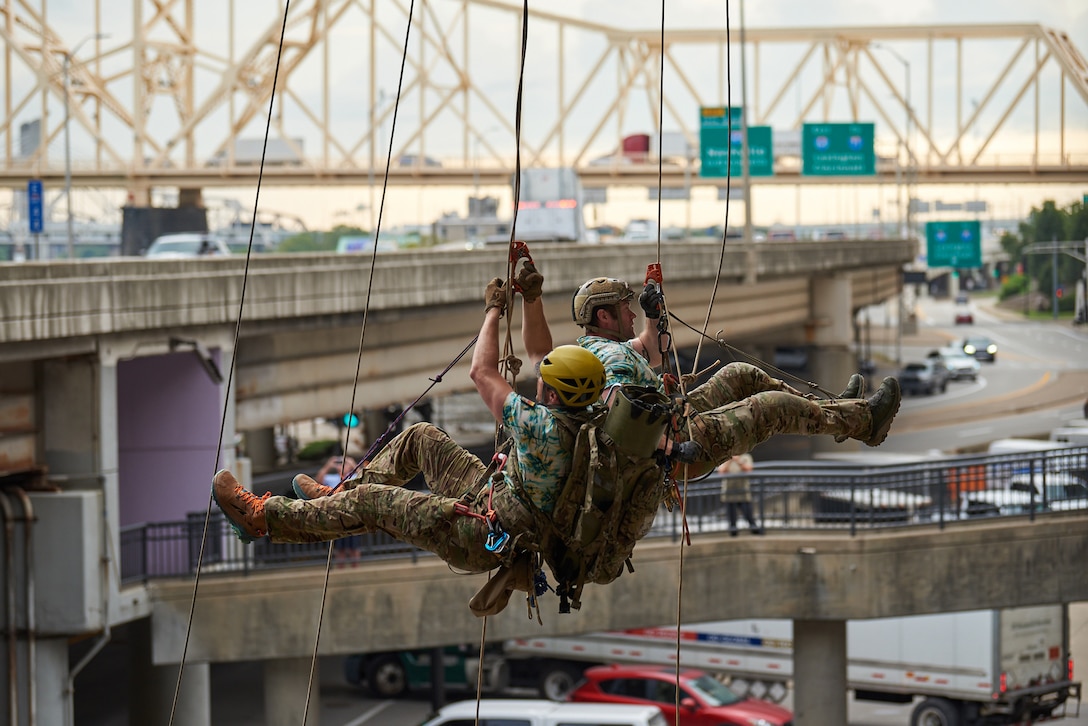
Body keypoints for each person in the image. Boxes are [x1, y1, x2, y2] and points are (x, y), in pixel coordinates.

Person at [212, 270, 614, 614]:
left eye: (544, 382)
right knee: (421, 438)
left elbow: (482, 371)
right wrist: (532, 298)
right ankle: (331, 497)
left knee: (368, 503)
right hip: (495, 501)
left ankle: (263, 518)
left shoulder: (539, 425)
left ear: (554, 396)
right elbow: (541, 354)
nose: (538, 382)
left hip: (476, 532)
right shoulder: (589, 420)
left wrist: (493, 310)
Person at [565, 274, 901, 471]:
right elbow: (615, 407)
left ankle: (836, 414)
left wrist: (654, 311)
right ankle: (865, 422)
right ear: (605, 318)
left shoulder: (607, 349)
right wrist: (668, 448)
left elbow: (654, 349)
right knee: (769, 408)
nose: (632, 314)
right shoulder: (608, 358)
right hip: (677, 445)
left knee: (742, 375)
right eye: (626, 309)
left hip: (672, 421)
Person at [718, 453, 762, 536]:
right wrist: (729, 460)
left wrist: (738, 461)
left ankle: (755, 531)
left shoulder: (745, 457)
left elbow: (749, 469)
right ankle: (733, 533)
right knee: (732, 518)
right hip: (729, 493)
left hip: (743, 492)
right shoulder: (724, 457)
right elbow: (721, 471)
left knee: (748, 514)